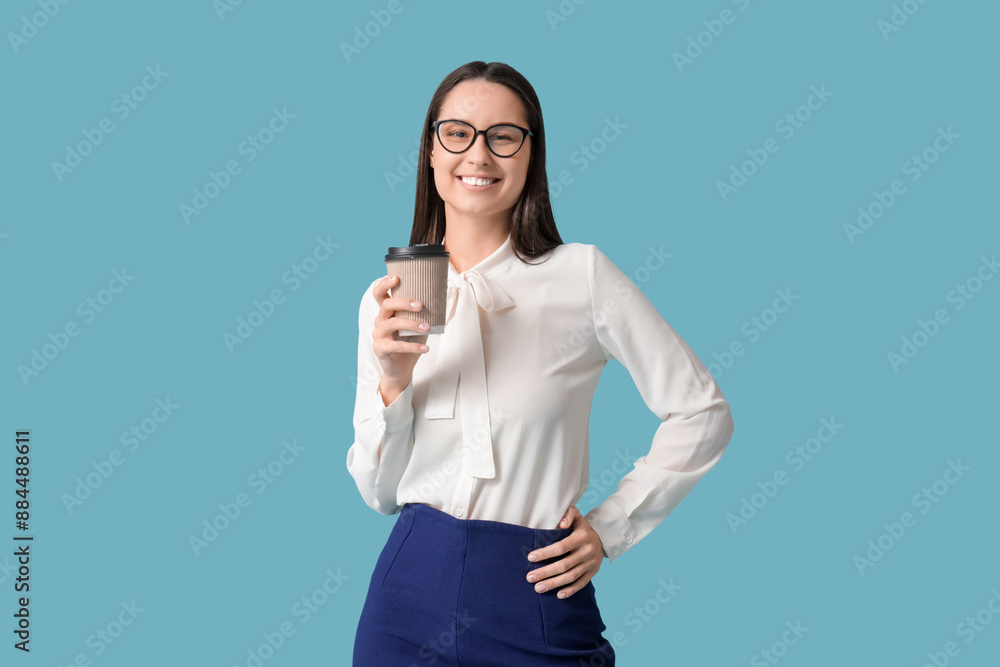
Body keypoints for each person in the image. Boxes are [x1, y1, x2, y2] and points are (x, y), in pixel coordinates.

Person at [348, 61, 735, 666]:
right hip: (406, 596)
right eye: (457, 132)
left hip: (534, 593)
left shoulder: (579, 276)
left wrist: (612, 527)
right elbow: (378, 493)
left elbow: (702, 413)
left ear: (531, 155)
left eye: (503, 136)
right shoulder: (393, 298)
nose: (478, 154)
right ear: (430, 149)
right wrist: (392, 384)